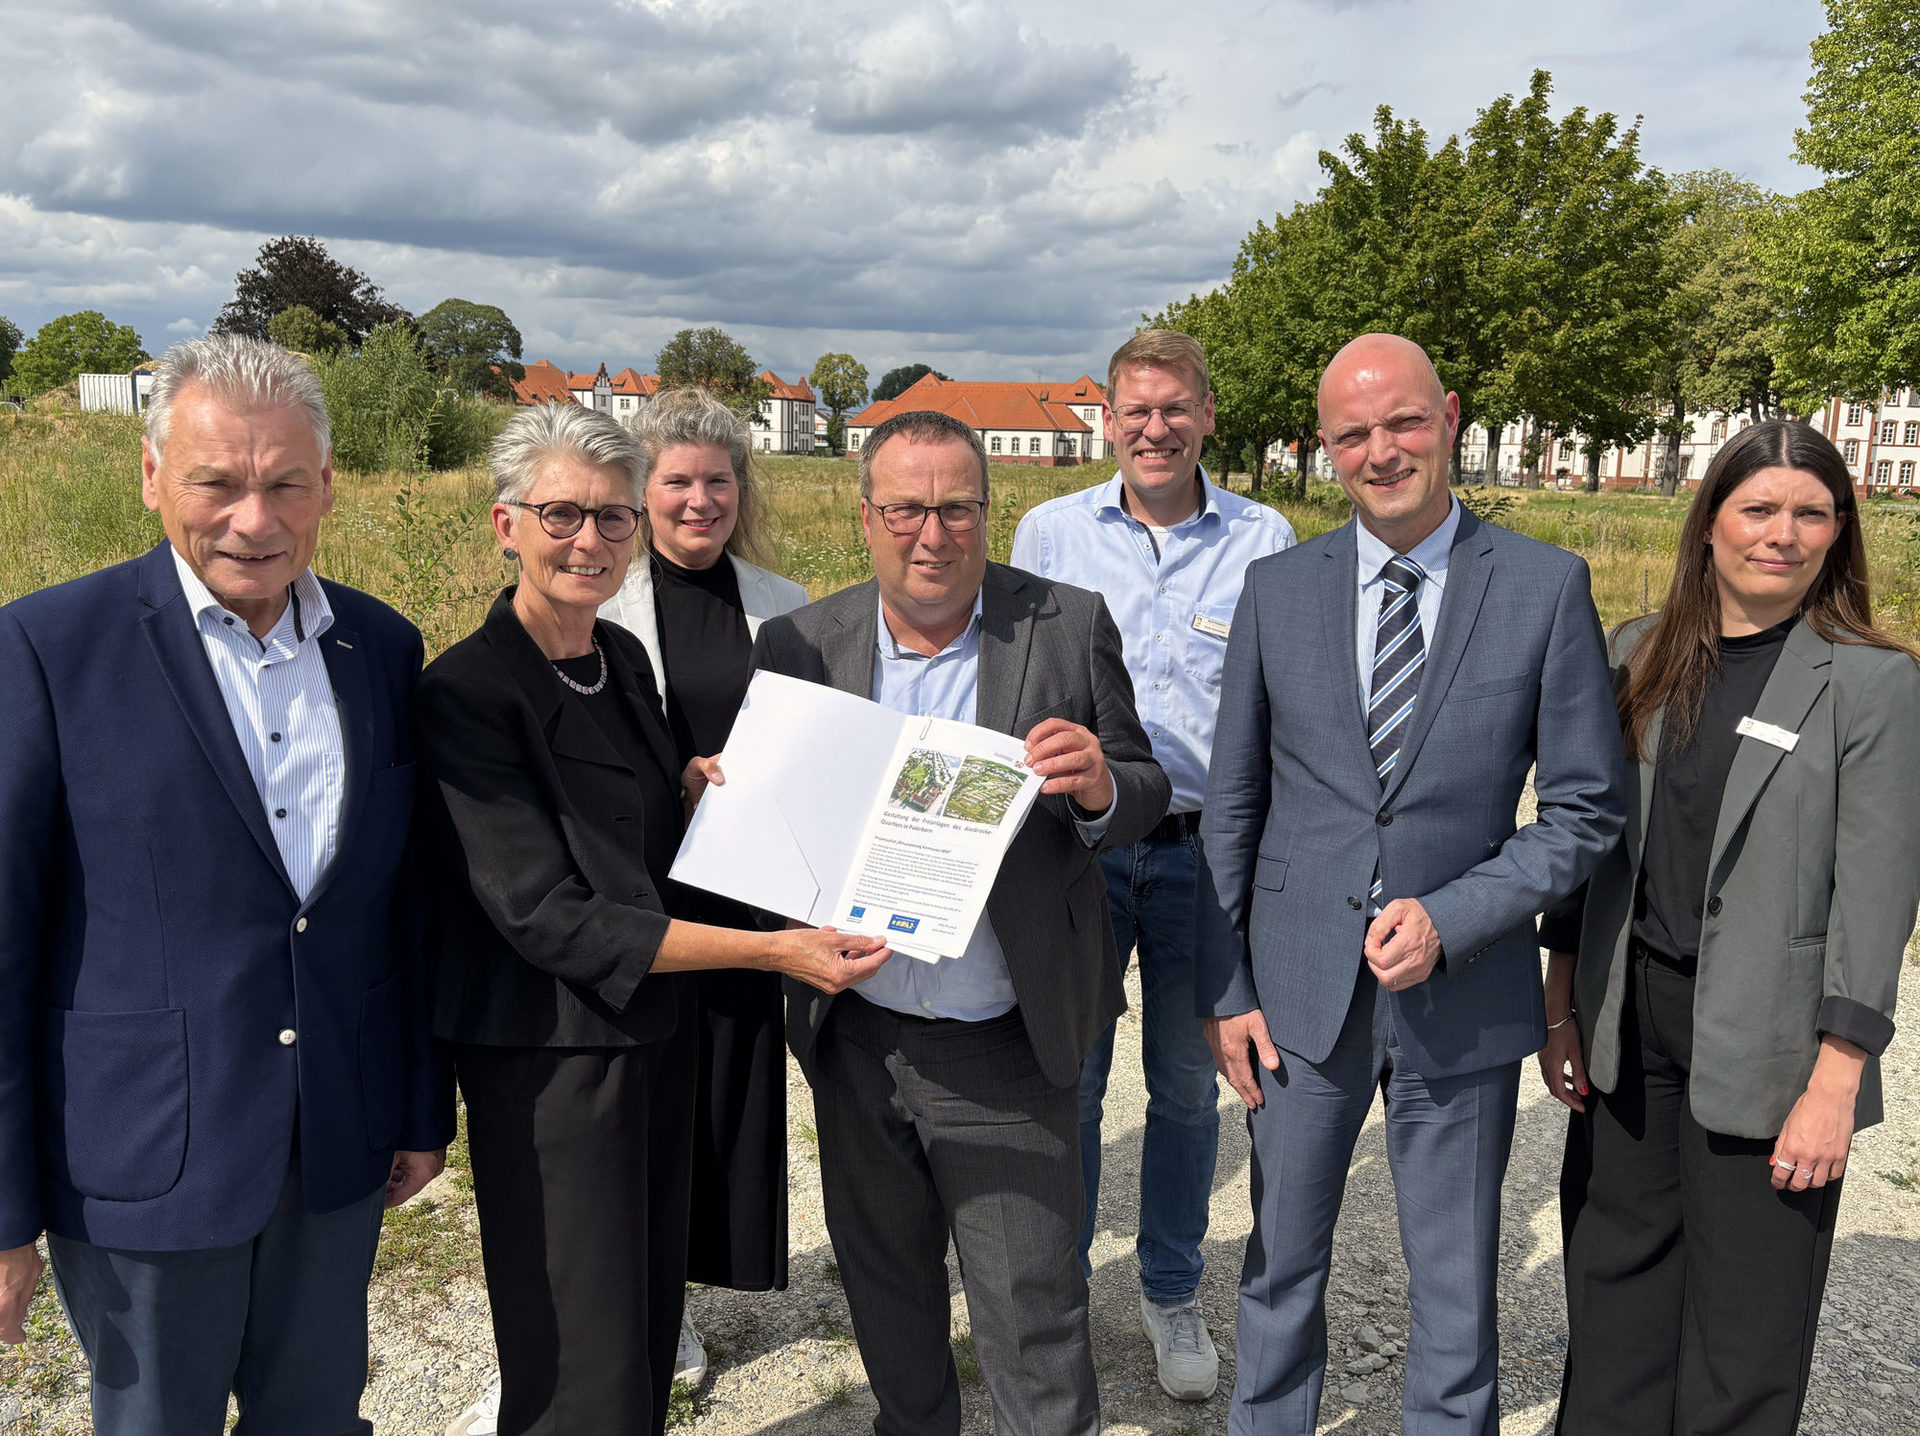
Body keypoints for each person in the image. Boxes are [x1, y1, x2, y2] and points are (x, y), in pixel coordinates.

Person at [0, 334, 452, 1434]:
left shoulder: (383, 649)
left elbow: (398, 909)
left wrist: (415, 1105)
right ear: (153, 475)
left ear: (328, 485)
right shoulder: (47, 647)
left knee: (319, 1417)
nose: (255, 519)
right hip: (144, 1157)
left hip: (335, 1143)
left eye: (286, 483)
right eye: (217, 483)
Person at [417, 402, 887, 1436]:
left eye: (611, 517)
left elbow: (632, 842)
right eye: (561, 514)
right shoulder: (468, 691)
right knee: (576, 1356)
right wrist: (775, 949)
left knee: (640, 1325)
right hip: (554, 1066)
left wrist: (684, 788)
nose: (588, 539)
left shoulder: (618, 660)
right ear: (506, 524)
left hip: (653, 1042)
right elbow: (555, 918)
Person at [1196, 333, 1626, 1434]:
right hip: (1297, 994)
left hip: (1461, 993)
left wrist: (1454, 914)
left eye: (1402, 422)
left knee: (1456, 1286)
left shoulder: (1543, 587)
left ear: (1450, 417)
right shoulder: (1277, 589)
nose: (1380, 451)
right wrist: (1226, 984)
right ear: (1325, 447)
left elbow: (1586, 809)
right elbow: (1233, 806)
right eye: (1353, 434)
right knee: (1279, 1266)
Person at [753, 408, 1171, 1435]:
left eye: (956, 508)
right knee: (888, 1294)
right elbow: (775, 822)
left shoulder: (1066, 624)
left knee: (1033, 1315)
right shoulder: (801, 642)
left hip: (1004, 1043)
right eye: (906, 509)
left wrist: (1098, 784)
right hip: (859, 1038)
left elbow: (1145, 786)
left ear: (990, 512)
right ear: (865, 516)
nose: (931, 534)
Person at [1536, 420, 1920, 1435]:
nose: (1782, 534)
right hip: (1630, 1023)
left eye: (1811, 513)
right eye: (1759, 508)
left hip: (1775, 1042)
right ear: (1709, 521)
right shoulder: (1636, 653)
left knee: (1744, 1335)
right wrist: (1562, 1006)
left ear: (1839, 532)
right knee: (1614, 1298)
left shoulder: (1874, 684)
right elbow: (1590, 842)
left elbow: (1877, 896)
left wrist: (1836, 1083)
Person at [1010, 329, 1294, 1400]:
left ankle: (1171, 1290)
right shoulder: (1051, 533)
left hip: (1201, 854)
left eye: (1176, 408)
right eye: (1136, 409)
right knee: (1071, 1079)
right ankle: (1061, 1289)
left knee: (1184, 1087)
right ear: (1110, 420)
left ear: (1208, 415)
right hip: (1079, 849)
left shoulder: (1265, 538)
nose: (1156, 428)